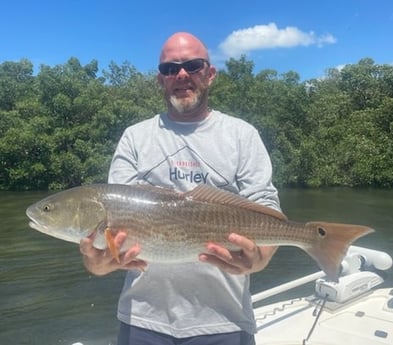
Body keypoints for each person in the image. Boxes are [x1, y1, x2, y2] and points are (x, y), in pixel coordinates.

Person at [80, 32, 281, 345]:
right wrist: (97, 262)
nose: (182, 74)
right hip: (142, 320)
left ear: (210, 74)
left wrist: (261, 257)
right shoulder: (134, 137)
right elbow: (115, 224)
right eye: (170, 69)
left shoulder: (242, 135)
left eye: (193, 65)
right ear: (161, 79)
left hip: (225, 320)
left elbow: (266, 207)